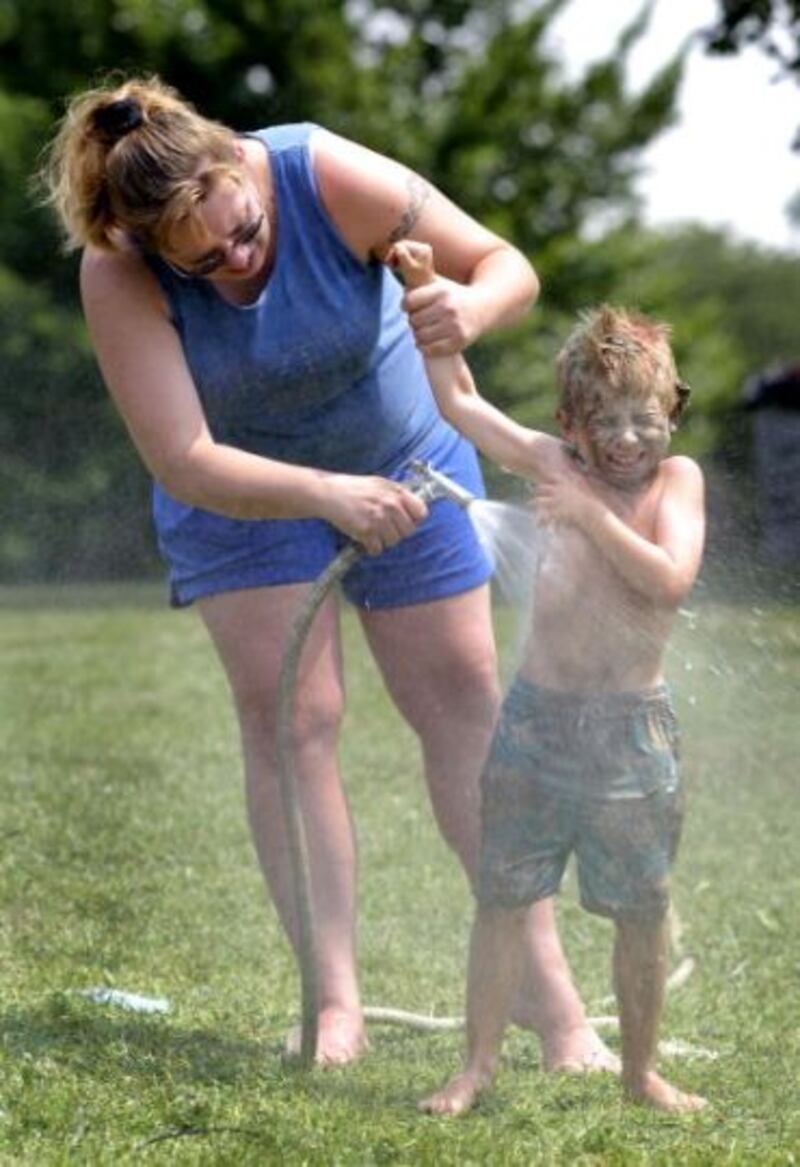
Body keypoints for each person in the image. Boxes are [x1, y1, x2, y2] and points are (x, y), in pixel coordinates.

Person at [41, 75, 615, 1069]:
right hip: (240, 489)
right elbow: (184, 458)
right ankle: (334, 1007)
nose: (234, 261)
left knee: (464, 705)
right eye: (202, 262)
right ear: (146, 243)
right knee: (293, 721)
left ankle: (553, 1005)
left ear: (237, 162)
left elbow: (505, 266)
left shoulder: (325, 174)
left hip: (407, 458)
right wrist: (322, 494)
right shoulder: (116, 269)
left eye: (244, 232)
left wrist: (468, 309)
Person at [388, 241, 707, 1113]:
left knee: (641, 909)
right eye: (605, 420)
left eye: (643, 417)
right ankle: (477, 1066)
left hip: (632, 732)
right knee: (503, 897)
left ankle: (640, 1072)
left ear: (672, 411)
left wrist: (589, 517)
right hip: (538, 723)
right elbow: (459, 402)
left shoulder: (677, 482)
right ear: (570, 422)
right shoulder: (554, 463)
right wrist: (423, 287)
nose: (627, 437)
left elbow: (669, 579)